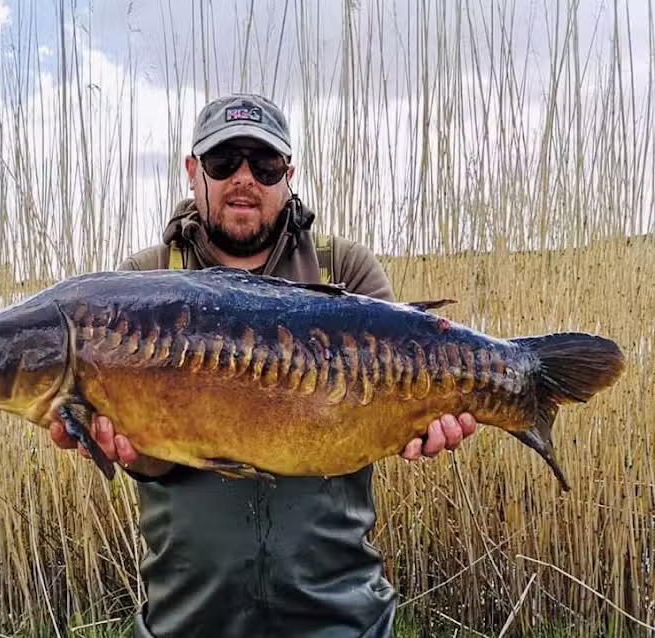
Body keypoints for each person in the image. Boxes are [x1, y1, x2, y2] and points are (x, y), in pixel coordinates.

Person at [49, 93, 477, 637]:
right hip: (190, 617)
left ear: (288, 173)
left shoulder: (343, 267)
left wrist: (424, 422)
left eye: (265, 163)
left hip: (338, 615)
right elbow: (154, 452)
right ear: (192, 171)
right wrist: (122, 446)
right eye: (224, 162)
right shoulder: (144, 281)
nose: (244, 178)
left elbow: (384, 409)